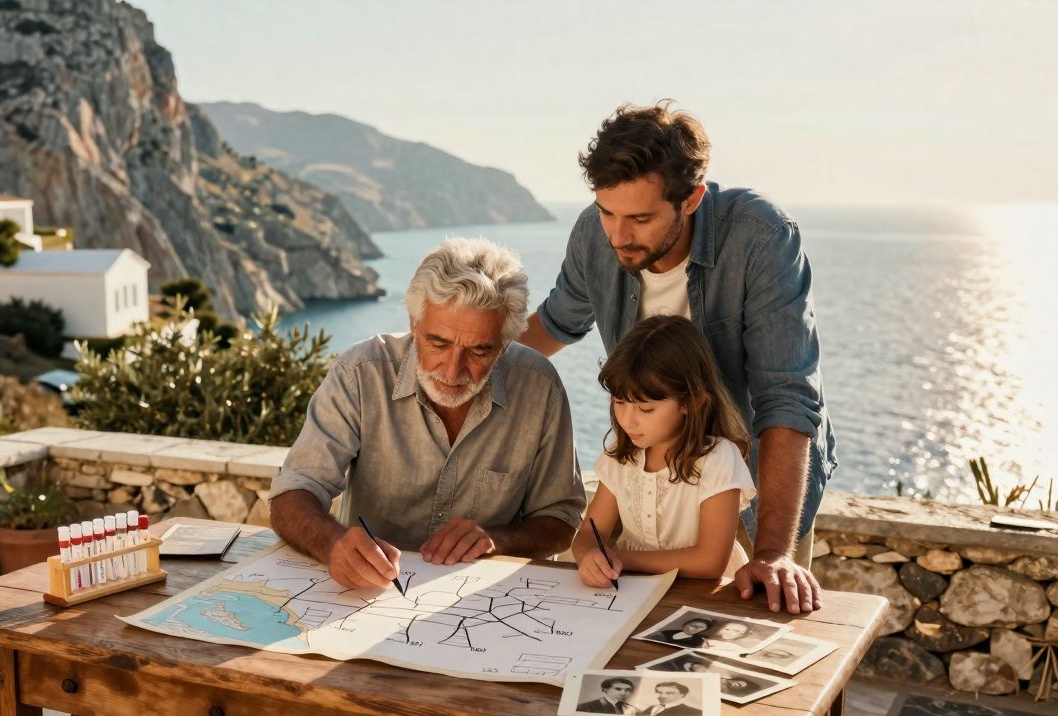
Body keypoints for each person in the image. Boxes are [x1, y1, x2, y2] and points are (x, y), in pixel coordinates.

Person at [519, 101, 834, 614]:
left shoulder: (761, 238)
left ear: (691, 199)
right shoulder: (594, 235)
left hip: (756, 481)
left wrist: (774, 553)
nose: (617, 236)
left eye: (640, 218)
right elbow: (553, 325)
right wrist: (461, 360)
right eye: (606, 212)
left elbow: (786, 399)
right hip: (649, 481)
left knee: (758, 623)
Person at [269, 237, 587, 589]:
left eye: (479, 351)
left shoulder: (540, 387)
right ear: (413, 323)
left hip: (481, 600)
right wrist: (331, 543)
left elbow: (561, 519)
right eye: (438, 343)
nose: (452, 371)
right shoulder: (359, 374)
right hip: (369, 594)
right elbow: (294, 491)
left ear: (506, 342)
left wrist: (497, 540)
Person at [572, 316, 755, 584]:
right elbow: (590, 533)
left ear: (691, 402)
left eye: (645, 409)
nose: (627, 420)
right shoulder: (621, 458)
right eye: (619, 402)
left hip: (701, 596)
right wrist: (590, 555)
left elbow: (710, 562)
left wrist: (621, 558)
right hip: (633, 591)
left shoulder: (718, 459)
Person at [650, 617, 715, 648]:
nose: (693, 629)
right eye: (694, 626)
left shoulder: (697, 641)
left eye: (699, 629)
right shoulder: (667, 629)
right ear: (688, 622)